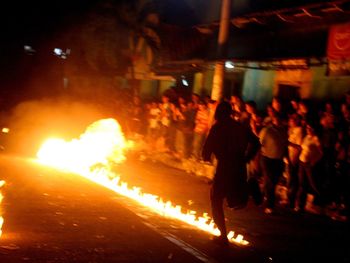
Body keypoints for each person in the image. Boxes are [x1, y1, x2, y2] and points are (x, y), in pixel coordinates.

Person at [202, 101, 259, 245]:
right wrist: (247, 157)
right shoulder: (240, 126)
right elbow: (256, 142)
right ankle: (248, 188)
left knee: (216, 199)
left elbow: (206, 149)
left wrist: (206, 156)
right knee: (235, 199)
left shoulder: (218, 127)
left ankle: (222, 235)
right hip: (239, 165)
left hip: (225, 166)